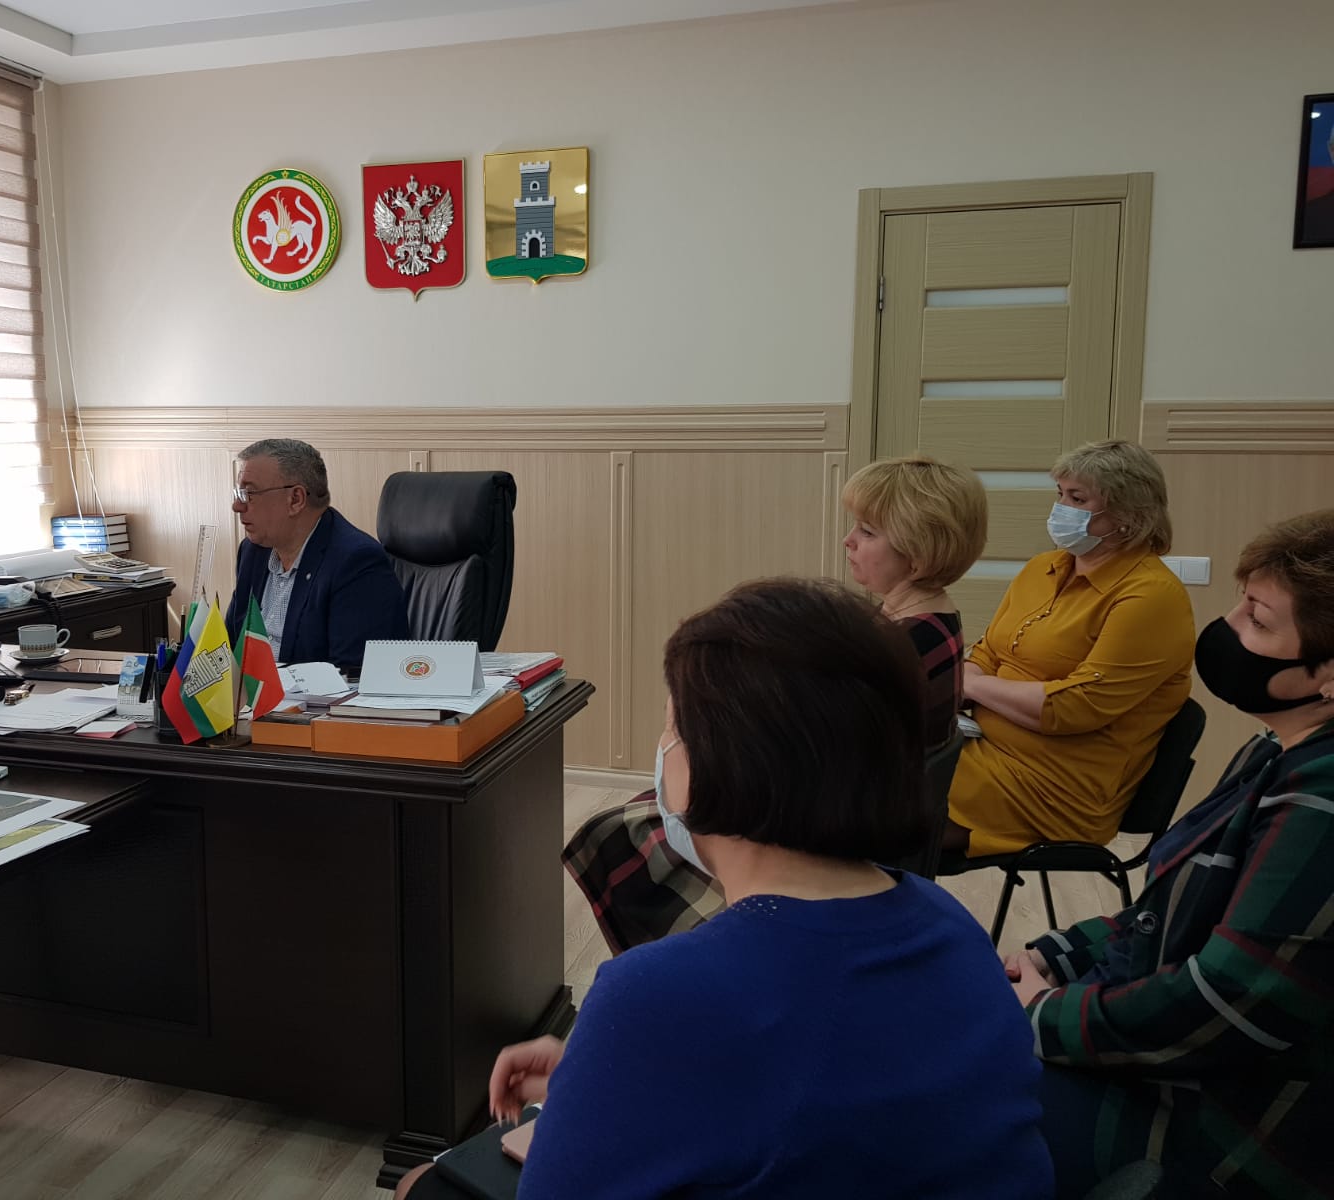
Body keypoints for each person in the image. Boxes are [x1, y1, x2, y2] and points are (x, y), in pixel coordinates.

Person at [399, 579, 1051, 1200]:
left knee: (422, 1183)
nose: (662, 749)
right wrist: (604, 1073)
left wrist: (606, 1075)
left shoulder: (658, 993)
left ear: (718, 765)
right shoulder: (949, 923)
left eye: (671, 728)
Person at [1008, 510, 1334, 1200]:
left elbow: (1226, 1002)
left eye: (1257, 620)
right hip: (1180, 1060)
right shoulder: (1273, 752)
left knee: (949, 1101)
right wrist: (1057, 956)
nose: (1228, 628)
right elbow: (1172, 911)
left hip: (1235, 1126)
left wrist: (1044, 1015)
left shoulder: (1319, 803)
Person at [563, 455, 987, 954]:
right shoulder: (927, 619)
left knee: (617, 831)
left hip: (832, 838)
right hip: (856, 817)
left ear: (918, 552)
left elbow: (814, 751)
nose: (848, 541)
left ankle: (701, 968)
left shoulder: (904, 642)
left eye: (867, 532)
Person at [947, 439, 1193, 856]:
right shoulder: (1041, 568)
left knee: (877, 794)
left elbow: (1074, 707)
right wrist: (970, 679)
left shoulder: (1151, 595)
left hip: (1053, 788)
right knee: (860, 760)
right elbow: (988, 651)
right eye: (1060, 494)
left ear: (1128, 514)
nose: (1060, 508)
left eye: (1077, 499)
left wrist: (969, 686)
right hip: (984, 747)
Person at [222, 438, 408, 672]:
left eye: (249, 494)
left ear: (296, 499)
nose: (237, 506)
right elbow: (231, 644)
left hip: (309, 696)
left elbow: (352, 674)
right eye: (238, 493)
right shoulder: (253, 552)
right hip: (251, 693)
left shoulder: (356, 562)